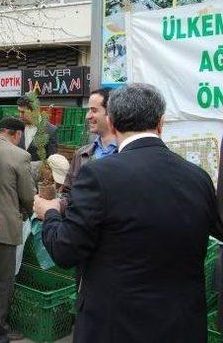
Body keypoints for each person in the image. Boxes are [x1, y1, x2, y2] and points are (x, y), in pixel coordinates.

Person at [33, 83, 223, 342]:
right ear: (160, 123)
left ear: (111, 124)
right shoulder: (198, 178)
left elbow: (65, 250)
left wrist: (50, 213)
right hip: (182, 326)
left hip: (115, 327)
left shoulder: (99, 176)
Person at [0, 116, 35, 343]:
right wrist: (26, 210)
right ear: (17, 135)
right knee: (2, 281)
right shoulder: (20, 155)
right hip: (5, 226)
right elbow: (28, 196)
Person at [61, 88, 117, 200]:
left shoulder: (127, 152)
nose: (88, 116)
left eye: (94, 110)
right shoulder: (81, 153)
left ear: (111, 113)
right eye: (88, 110)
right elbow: (68, 193)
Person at [17, 95, 58, 162]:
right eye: (19, 111)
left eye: (23, 112)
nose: (20, 115)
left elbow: (51, 160)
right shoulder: (17, 126)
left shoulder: (50, 131)